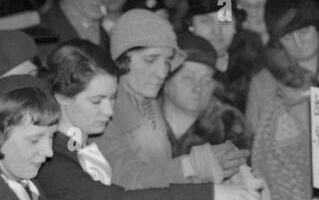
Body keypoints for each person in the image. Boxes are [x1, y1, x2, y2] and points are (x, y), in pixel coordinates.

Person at [7, 44, 262, 200]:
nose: (108, 111)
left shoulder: (82, 144)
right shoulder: (50, 161)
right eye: (97, 101)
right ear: (61, 98)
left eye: (113, 98)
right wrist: (210, 194)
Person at [96, 10, 234, 189]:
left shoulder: (148, 101)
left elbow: (162, 176)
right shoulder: (105, 112)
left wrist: (215, 178)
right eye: (150, 60)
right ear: (123, 59)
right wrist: (193, 165)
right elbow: (127, 179)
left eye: (168, 61)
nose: (162, 73)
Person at [245, 0, 319, 200]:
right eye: (288, 38)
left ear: (318, 28)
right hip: (285, 191)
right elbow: (254, 143)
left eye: (304, 32)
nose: (299, 44)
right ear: (277, 42)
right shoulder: (264, 82)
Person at [162, 31, 251, 156]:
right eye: (187, 78)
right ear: (165, 80)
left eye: (206, 80)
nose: (197, 88)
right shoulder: (141, 120)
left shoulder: (228, 122)